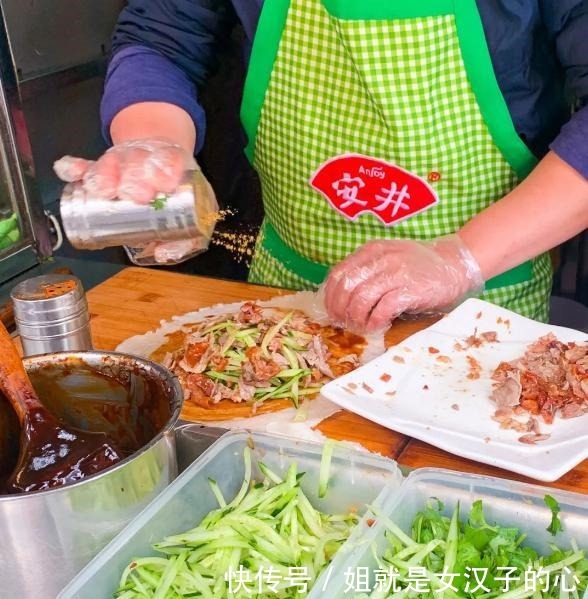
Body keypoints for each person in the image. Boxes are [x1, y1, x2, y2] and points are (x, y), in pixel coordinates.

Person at [54, 0, 588, 333]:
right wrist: (152, 142)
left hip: (482, 301)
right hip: (288, 301)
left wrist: (459, 258)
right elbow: (160, 39)